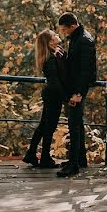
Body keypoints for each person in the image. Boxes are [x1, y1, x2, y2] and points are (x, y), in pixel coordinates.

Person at [55, 12, 96, 177]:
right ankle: (80, 159)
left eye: (65, 30)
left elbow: (85, 71)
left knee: (74, 126)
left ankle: (74, 165)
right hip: (74, 88)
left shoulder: (84, 40)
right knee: (76, 123)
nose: (64, 33)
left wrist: (78, 93)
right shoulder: (76, 38)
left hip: (78, 90)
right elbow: (75, 64)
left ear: (72, 26)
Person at [23, 29, 67, 168]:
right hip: (53, 95)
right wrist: (65, 97)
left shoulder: (51, 56)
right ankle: (45, 158)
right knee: (49, 127)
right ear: (50, 41)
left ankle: (31, 153)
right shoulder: (50, 59)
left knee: (44, 125)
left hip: (51, 94)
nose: (58, 35)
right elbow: (55, 82)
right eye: (55, 35)